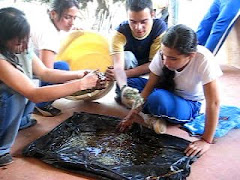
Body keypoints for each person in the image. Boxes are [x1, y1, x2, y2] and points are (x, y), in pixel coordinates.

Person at [0, 7, 106, 167]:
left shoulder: (22, 46)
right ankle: (1, 149)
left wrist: (80, 74)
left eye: (26, 39)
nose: (24, 46)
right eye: (18, 42)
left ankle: (20, 121)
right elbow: (34, 94)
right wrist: (82, 84)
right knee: (17, 93)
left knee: (31, 81)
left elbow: (44, 73)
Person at [117, 24, 223, 157]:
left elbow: (214, 102)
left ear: (190, 56)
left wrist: (206, 140)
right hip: (162, 91)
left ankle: (149, 113)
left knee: (157, 99)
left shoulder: (203, 59)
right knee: (125, 85)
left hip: (187, 103)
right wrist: (131, 116)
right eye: (164, 56)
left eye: (173, 58)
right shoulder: (163, 53)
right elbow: (148, 88)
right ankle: (149, 115)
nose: (166, 62)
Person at [105, 0, 167, 107]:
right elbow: (118, 67)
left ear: (153, 14)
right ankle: (122, 90)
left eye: (143, 21)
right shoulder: (119, 32)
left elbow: (155, 64)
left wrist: (123, 74)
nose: (138, 27)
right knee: (127, 57)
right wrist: (124, 88)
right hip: (130, 67)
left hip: (151, 70)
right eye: (133, 21)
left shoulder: (159, 28)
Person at [30, 0, 80, 117]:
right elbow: (46, 72)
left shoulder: (46, 21)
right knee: (63, 68)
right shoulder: (48, 33)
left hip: (23, 63)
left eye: (74, 18)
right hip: (20, 71)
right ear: (53, 14)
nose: (71, 22)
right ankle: (40, 103)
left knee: (62, 66)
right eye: (67, 17)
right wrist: (78, 79)